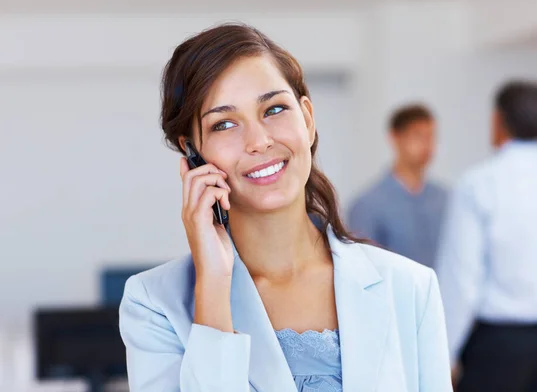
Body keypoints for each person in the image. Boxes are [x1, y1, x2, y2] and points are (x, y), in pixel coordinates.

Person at [118, 23, 452, 392]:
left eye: (274, 109)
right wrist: (212, 284)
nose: (259, 141)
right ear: (193, 154)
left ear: (307, 120)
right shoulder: (154, 305)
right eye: (224, 124)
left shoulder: (410, 288)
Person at [436, 80, 537, 392]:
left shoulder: (477, 184)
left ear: (497, 121)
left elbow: (461, 283)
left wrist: (443, 356)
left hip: (496, 347)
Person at [347, 104, 447, 268]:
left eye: (430, 137)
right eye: (417, 136)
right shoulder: (368, 206)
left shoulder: (445, 199)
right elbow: (362, 268)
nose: (426, 145)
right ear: (395, 138)